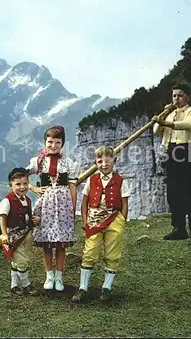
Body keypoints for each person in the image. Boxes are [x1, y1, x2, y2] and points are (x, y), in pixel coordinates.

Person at [71, 146, 130, 303]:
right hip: (94, 220)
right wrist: (84, 220)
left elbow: (124, 203)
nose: (104, 164)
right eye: (100, 161)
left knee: (112, 253)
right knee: (89, 252)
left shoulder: (120, 181)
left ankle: (107, 288)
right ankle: (83, 288)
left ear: (114, 161)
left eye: (107, 161)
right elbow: (84, 201)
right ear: (95, 163)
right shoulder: (91, 180)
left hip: (114, 219)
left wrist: (122, 220)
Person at [25, 125, 78, 292]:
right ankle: (49, 276)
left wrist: (72, 208)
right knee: (47, 242)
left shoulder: (68, 163)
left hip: (63, 205)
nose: (53, 145)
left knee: (61, 243)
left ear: (62, 143)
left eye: (57, 142)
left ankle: (59, 277)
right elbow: (21, 176)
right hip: (45, 204)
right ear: (45, 142)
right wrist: (32, 188)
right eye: (50, 142)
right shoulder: (39, 161)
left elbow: (73, 187)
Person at [152, 83, 191, 245]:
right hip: (172, 151)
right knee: (174, 191)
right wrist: (163, 114)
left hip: (188, 150)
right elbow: (156, 130)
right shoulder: (169, 113)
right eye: (174, 95)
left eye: (180, 95)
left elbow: (189, 125)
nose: (176, 98)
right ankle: (179, 229)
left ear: (187, 96)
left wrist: (166, 123)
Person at [0, 167, 40, 296]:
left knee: (21, 260)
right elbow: (3, 218)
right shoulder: (7, 201)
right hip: (13, 235)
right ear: (11, 185)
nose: (22, 187)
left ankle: (14, 285)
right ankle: (26, 284)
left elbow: (27, 216)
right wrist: (5, 234)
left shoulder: (27, 200)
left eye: (25, 184)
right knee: (21, 261)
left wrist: (34, 220)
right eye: (18, 184)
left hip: (26, 234)